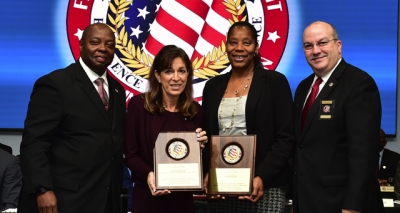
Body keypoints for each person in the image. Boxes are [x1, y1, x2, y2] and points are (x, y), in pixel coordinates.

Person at [18, 23, 126, 213]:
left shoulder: (118, 90)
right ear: (81, 45)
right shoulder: (55, 84)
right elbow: (34, 143)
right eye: (95, 42)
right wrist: (42, 189)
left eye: (109, 44)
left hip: (106, 201)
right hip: (64, 200)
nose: (103, 48)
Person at [202, 21, 295, 213]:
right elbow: (207, 136)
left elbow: (286, 138)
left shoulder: (274, 83)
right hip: (222, 189)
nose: (239, 48)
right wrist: (207, 173)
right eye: (233, 42)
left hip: (264, 186)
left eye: (246, 42)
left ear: (256, 47)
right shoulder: (212, 86)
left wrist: (262, 176)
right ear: (226, 46)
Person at [292, 21, 383, 213]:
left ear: (338, 46)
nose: (316, 51)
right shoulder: (303, 88)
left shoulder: (358, 83)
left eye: (322, 43)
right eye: (309, 46)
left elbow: (364, 153)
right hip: (307, 200)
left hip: (341, 203)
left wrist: (353, 206)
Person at [124, 45, 208, 213]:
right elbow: (130, 154)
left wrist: (201, 148)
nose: (176, 78)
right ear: (158, 75)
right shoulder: (138, 106)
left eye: (182, 71)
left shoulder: (196, 111)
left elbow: (200, 164)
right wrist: (148, 174)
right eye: (169, 71)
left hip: (182, 202)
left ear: (188, 75)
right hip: (147, 198)